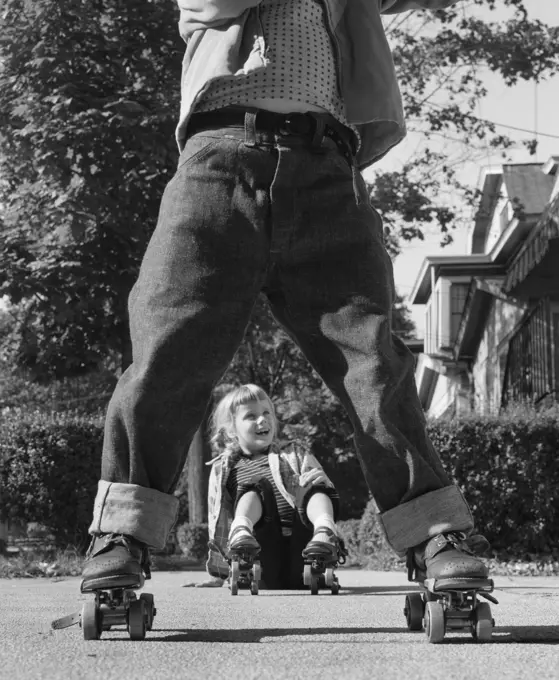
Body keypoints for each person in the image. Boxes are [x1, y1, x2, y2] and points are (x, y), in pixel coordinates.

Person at [81, 0, 490, 596]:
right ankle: (120, 533)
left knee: (373, 360)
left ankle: (435, 532)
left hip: (327, 171)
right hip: (217, 163)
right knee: (168, 351)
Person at [190, 383, 343, 589]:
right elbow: (216, 520)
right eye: (251, 416)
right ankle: (242, 532)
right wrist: (219, 575)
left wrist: (324, 483)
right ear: (231, 429)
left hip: (306, 552)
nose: (262, 420)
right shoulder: (223, 469)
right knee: (255, 486)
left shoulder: (294, 453)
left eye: (266, 413)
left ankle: (325, 533)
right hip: (260, 557)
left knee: (314, 485)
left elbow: (324, 491)